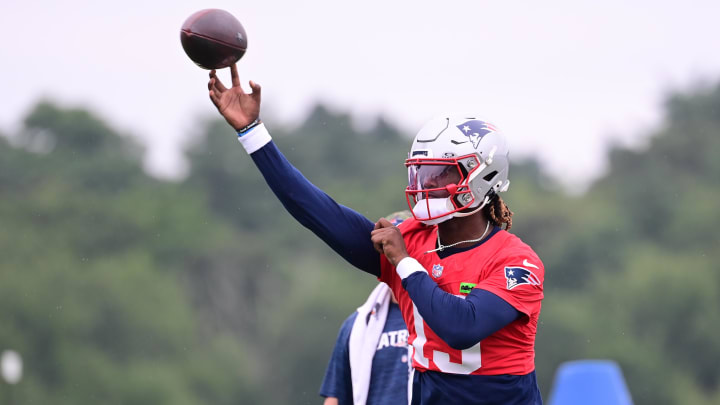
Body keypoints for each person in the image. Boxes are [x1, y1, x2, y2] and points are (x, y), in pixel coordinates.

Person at [206, 64, 545, 404]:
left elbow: (461, 328)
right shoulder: (413, 238)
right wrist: (252, 133)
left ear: (482, 178)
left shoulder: (517, 262)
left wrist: (404, 262)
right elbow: (315, 210)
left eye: (440, 175)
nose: (427, 187)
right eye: (422, 175)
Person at [320, 212, 412, 405]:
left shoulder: (443, 313)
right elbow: (336, 397)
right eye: (385, 247)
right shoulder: (357, 325)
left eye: (401, 246)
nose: (393, 256)